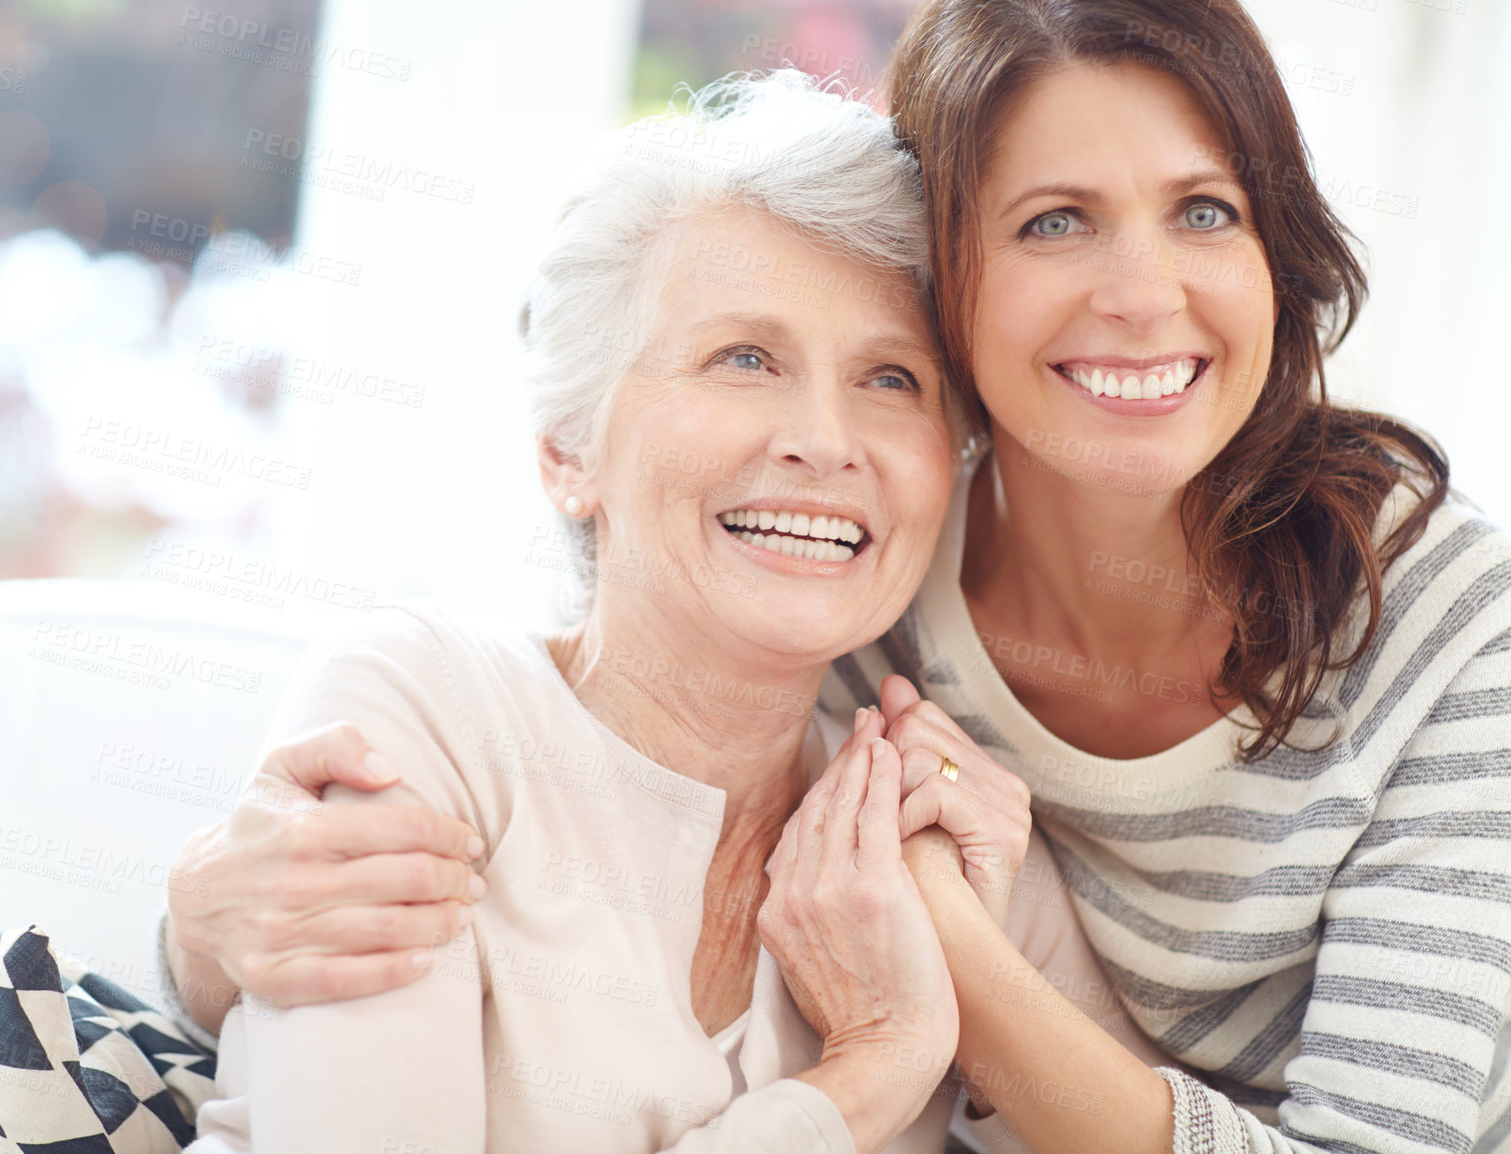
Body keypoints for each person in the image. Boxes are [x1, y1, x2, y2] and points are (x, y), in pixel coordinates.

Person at [164, 2, 1511, 1152]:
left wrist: (948, 961)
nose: (1143, 290)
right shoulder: (494, 706)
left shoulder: (929, 804)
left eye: (884, 379)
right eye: (743, 358)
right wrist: (866, 1074)